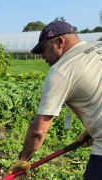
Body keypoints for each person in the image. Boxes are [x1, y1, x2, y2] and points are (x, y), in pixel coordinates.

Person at [8, 21, 102, 179]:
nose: (42, 57)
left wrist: (24, 160)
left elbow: (38, 131)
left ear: (60, 42)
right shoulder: (99, 46)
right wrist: (95, 129)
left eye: (44, 49)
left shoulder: (61, 70)